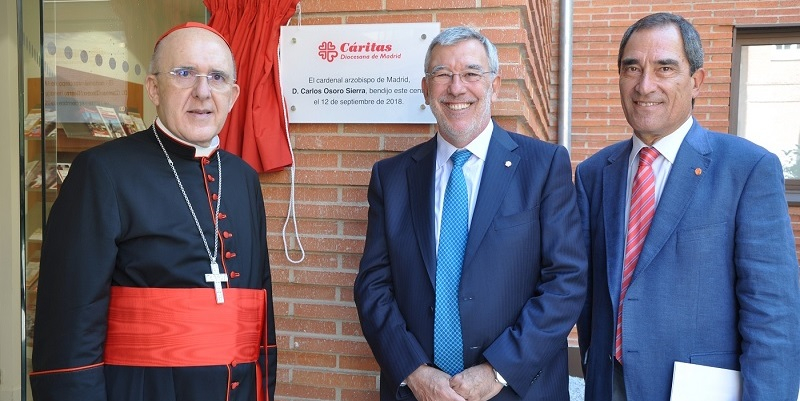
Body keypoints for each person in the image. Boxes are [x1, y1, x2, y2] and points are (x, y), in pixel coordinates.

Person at [29, 22, 277, 401]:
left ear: (234, 93)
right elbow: (68, 330)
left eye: (217, 77)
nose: (203, 92)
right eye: (184, 73)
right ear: (154, 88)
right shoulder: (103, 172)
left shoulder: (243, 178)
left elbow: (261, 318)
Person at [575, 12, 800, 401]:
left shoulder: (747, 169)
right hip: (607, 385)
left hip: (699, 390)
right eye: (633, 68)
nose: (645, 85)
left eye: (665, 67)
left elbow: (773, 316)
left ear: (696, 81)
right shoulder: (595, 173)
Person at [354, 26, 587, 401]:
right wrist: (413, 371)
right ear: (426, 89)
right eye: (442, 74)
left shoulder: (543, 166)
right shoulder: (392, 177)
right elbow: (373, 286)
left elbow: (567, 280)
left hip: (516, 389)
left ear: (495, 85)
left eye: (471, 73)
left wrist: (498, 370)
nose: (456, 88)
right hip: (418, 392)